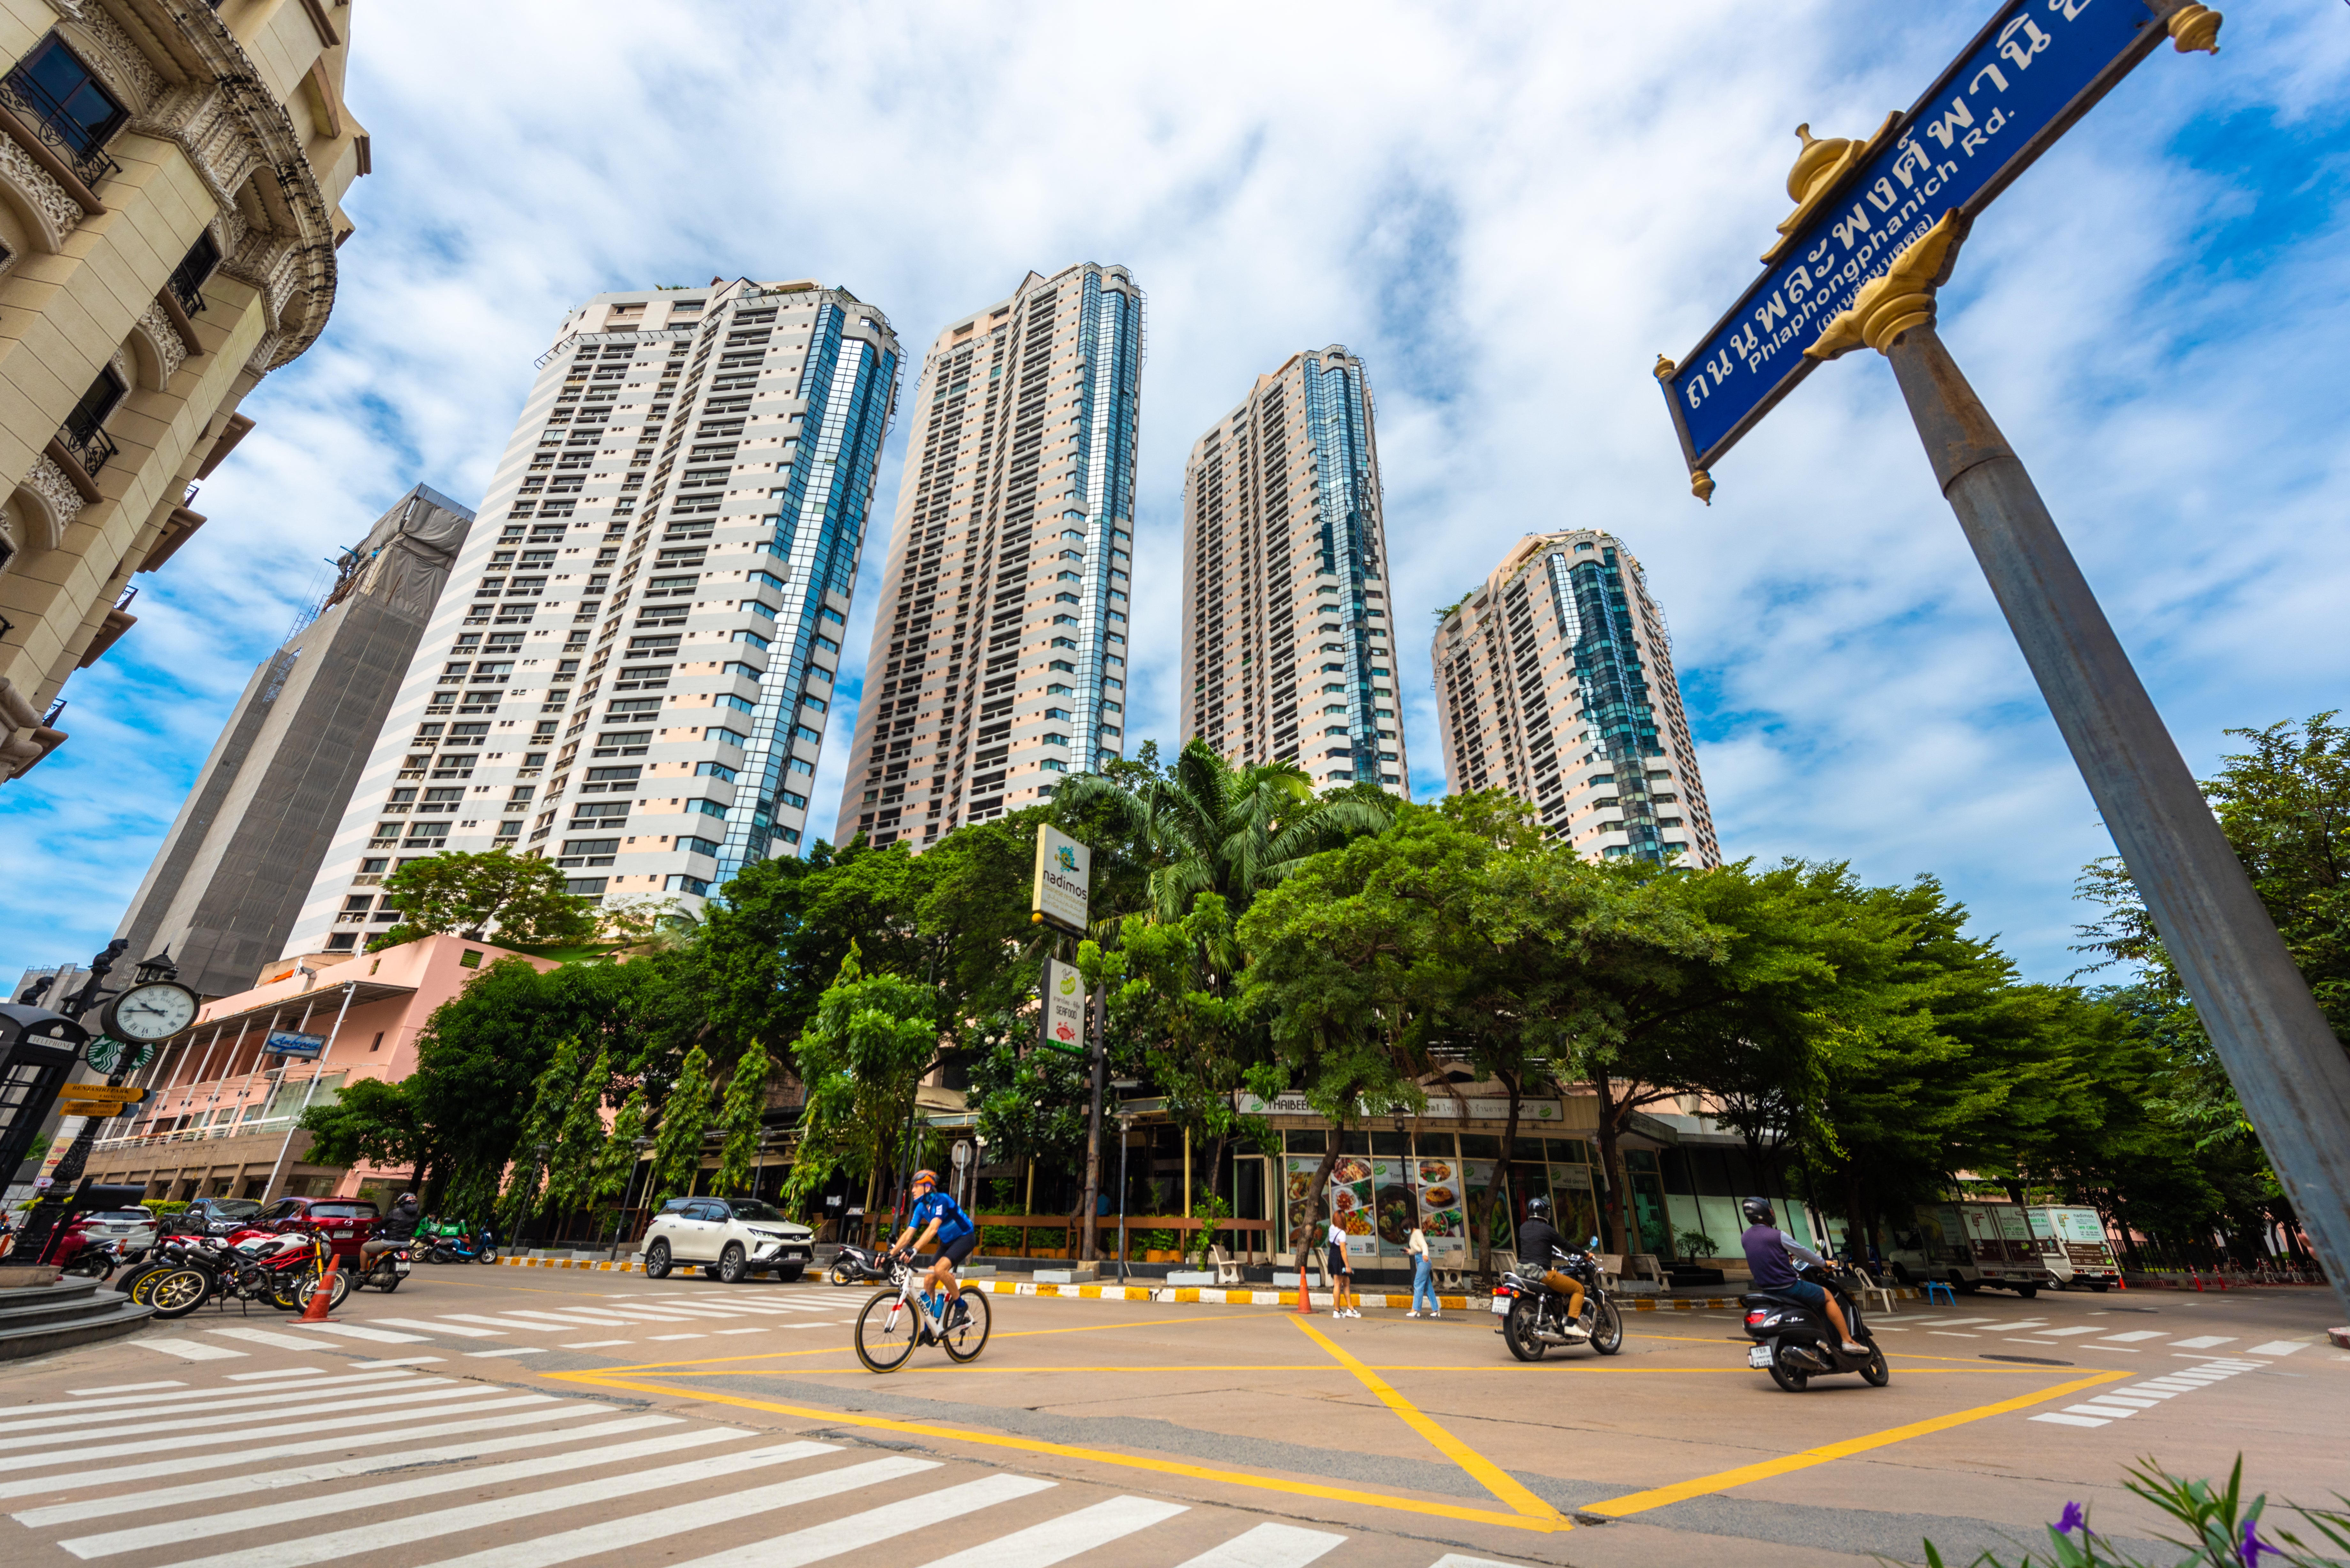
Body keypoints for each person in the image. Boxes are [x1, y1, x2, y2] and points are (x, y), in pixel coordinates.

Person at [1740, 1197, 1865, 1355]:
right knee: (1827, 1296)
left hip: (1767, 1291)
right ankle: (1847, 1341)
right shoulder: (1777, 1235)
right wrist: (1823, 1263)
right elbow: (1804, 1253)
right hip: (1789, 1287)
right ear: (1767, 1213)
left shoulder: (1745, 1238)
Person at [891, 1169, 977, 1329]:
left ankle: (960, 1305)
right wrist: (891, 1254)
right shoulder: (921, 1207)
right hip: (947, 1243)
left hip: (965, 1238)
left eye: (917, 1186)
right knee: (929, 1280)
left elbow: (933, 1229)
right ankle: (930, 1328)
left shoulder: (942, 1200)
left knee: (940, 1270)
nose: (913, 1190)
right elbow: (909, 1233)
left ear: (928, 1187)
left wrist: (915, 1250)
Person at [1514, 1195, 1586, 1333]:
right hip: (1542, 1274)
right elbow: (1566, 1245)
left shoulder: (1524, 1228)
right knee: (1578, 1289)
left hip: (1522, 1272)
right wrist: (1585, 1254)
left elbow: (1535, 1245)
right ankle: (1571, 1325)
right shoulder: (1547, 1229)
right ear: (1544, 1214)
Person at [363, 1191, 420, 1273]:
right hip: (405, 1244)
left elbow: (381, 1224)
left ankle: (363, 1270)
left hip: (389, 1242)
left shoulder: (395, 1212)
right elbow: (415, 1228)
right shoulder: (417, 1215)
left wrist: (370, 1232)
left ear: (402, 1202)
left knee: (365, 1248)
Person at [1325, 1211, 1357, 1318]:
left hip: (1332, 1257)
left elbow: (1338, 1235)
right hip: (1340, 1259)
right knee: (1338, 1284)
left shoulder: (1332, 1228)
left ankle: (1350, 1308)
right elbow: (1343, 1250)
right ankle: (1337, 1310)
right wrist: (1347, 1266)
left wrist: (1344, 1230)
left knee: (1346, 1282)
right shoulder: (1342, 1234)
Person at [1406, 1223, 1439, 1318]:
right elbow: (1417, 1249)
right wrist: (1409, 1251)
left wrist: (1425, 1254)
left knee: (1418, 1283)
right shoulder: (1413, 1235)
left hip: (1423, 1260)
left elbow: (1424, 1245)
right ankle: (1436, 1310)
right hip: (1419, 1258)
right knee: (1428, 1286)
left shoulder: (1417, 1233)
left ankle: (1415, 1309)